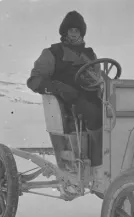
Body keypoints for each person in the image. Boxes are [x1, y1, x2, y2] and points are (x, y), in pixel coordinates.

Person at [26, 10, 103, 174]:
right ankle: (100, 162)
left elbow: (98, 77)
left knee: (116, 113)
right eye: (71, 30)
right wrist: (58, 87)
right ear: (65, 32)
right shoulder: (52, 53)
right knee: (94, 114)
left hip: (92, 97)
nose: (74, 34)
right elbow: (34, 80)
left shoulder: (90, 55)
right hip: (69, 103)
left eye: (78, 30)